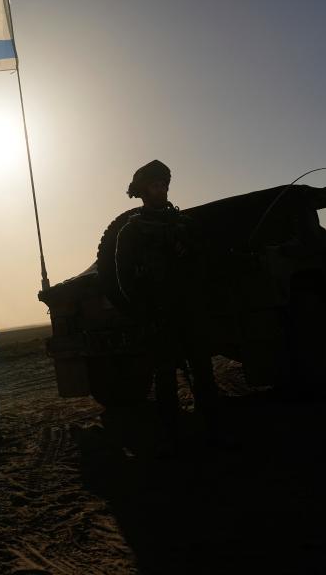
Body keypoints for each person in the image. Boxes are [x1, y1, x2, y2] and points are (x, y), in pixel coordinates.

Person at [115, 160, 222, 456]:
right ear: (143, 191)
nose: (160, 190)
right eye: (154, 185)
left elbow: (203, 265)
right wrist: (144, 313)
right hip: (158, 314)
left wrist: (189, 253)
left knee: (203, 373)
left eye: (163, 184)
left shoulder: (183, 224)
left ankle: (212, 430)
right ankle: (172, 438)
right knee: (165, 379)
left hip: (189, 311)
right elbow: (125, 278)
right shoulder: (132, 232)